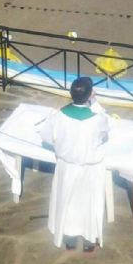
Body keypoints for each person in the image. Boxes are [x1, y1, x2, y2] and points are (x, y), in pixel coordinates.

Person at [40, 77, 110, 252]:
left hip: (67, 167)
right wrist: (95, 102)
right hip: (90, 168)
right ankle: (89, 241)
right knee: (88, 204)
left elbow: (47, 137)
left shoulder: (59, 115)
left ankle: (69, 239)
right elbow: (104, 133)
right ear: (90, 95)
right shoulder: (97, 118)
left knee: (68, 202)